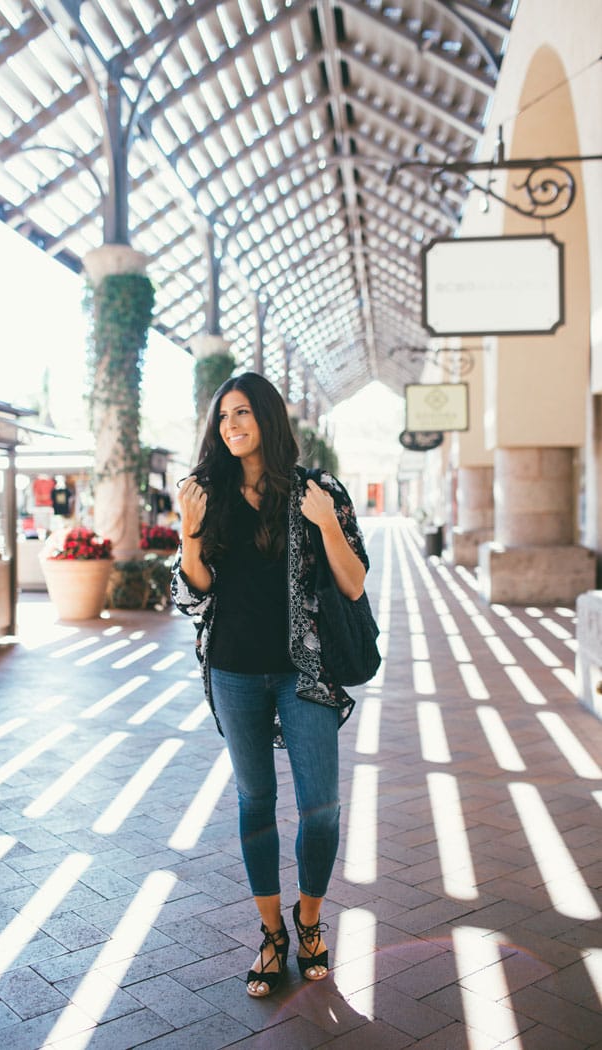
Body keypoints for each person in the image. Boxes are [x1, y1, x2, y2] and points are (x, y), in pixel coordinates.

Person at [171, 372, 369, 998]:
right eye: (223, 416)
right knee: (255, 802)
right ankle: (271, 933)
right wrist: (188, 532)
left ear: (269, 418)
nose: (231, 425)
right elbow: (190, 595)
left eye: (243, 413)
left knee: (322, 808)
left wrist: (328, 525)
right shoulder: (207, 493)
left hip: (304, 673)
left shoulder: (319, 490)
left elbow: (356, 583)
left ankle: (308, 923)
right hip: (232, 668)